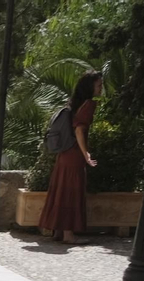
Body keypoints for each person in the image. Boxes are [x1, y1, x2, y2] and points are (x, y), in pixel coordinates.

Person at [39, 70, 104, 244]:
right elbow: (79, 130)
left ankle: (58, 232)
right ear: (90, 87)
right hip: (74, 154)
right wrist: (86, 154)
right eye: (99, 85)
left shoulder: (75, 103)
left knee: (61, 190)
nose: (101, 89)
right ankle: (68, 235)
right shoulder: (89, 105)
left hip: (64, 155)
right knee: (71, 193)